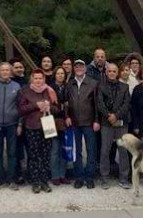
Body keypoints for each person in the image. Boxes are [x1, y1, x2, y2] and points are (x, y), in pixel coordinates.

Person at [18, 69, 59, 193]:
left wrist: (49, 107)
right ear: (32, 79)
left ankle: (44, 181)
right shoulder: (25, 91)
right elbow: (21, 109)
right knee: (34, 156)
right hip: (32, 127)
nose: (38, 81)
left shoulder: (49, 91)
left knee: (46, 155)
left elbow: (57, 109)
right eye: (36, 78)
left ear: (44, 79)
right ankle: (35, 181)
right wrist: (36, 105)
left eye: (40, 78)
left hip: (47, 127)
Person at [65, 59, 99, 189]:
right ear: (74, 69)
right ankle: (79, 176)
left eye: (81, 66)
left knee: (91, 150)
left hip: (89, 122)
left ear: (85, 68)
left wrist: (96, 120)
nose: (79, 68)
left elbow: (97, 104)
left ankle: (89, 177)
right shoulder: (70, 83)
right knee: (76, 151)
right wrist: (67, 116)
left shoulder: (93, 83)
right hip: (74, 122)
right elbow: (66, 102)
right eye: (76, 66)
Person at [97, 62, 131, 189]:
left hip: (121, 123)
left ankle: (124, 178)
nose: (111, 73)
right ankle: (104, 178)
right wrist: (109, 116)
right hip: (106, 123)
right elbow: (100, 104)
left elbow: (126, 104)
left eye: (114, 71)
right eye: (109, 71)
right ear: (106, 73)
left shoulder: (125, 87)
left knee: (123, 151)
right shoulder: (101, 86)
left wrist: (116, 116)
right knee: (105, 151)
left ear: (118, 73)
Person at [49, 66, 70, 186]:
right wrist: (62, 109)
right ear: (55, 75)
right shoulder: (50, 88)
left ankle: (63, 174)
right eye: (58, 73)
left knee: (64, 149)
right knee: (55, 150)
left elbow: (68, 105)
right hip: (53, 121)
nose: (61, 75)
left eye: (62, 73)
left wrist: (65, 111)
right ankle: (55, 175)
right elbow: (51, 106)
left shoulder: (67, 87)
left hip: (65, 122)